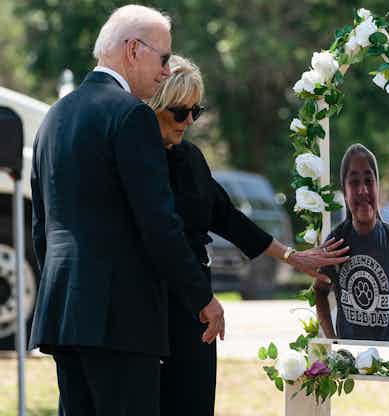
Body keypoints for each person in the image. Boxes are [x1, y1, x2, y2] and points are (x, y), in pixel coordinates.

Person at [30, 5, 224, 415]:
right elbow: (158, 223)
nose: (167, 71)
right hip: (121, 319)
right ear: (134, 50)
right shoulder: (131, 115)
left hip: (65, 316)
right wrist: (201, 296)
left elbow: (42, 226)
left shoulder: (54, 116)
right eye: (164, 57)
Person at [146, 55, 349, 415]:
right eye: (180, 112)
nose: (189, 121)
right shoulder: (140, 159)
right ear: (155, 105)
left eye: (196, 111)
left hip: (194, 305)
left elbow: (227, 217)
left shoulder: (191, 157)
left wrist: (292, 256)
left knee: (193, 401)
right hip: (152, 299)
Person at [314, 144, 389, 341]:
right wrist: (333, 339)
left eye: (369, 180)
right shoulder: (336, 241)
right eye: (354, 182)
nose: (362, 190)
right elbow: (319, 291)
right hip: (350, 358)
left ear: (377, 185)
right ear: (344, 190)